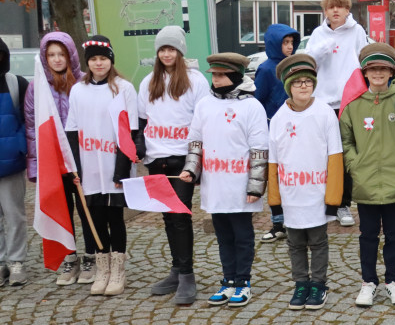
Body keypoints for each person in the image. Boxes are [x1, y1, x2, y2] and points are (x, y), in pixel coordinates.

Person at [180, 53, 269, 307]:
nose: (216, 79)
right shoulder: (204, 105)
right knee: (223, 235)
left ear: (234, 76)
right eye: (214, 75)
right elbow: (196, 142)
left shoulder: (251, 106)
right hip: (215, 184)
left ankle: (243, 282)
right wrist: (191, 170)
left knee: (242, 234)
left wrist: (255, 186)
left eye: (221, 75)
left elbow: (260, 149)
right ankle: (228, 280)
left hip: (240, 185)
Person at [340, 44, 395, 308]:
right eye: (373, 69)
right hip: (366, 181)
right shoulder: (353, 105)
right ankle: (368, 282)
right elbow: (346, 140)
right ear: (365, 72)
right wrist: (355, 165)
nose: (378, 73)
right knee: (368, 235)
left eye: (383, 69)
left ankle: (393, 281)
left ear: (391, 72)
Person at [139, 26, 209, 304]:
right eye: (162, 49)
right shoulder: (148, 82)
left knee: (180, 215)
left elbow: (203, 120)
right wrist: (140, 146)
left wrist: (198, 161)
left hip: (183, 157)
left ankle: (188, 276)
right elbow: (143, 119)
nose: (167, 54)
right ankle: (176, 270)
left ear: (180, 52)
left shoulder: (195, 80)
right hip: (157, 158)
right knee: (167, 216)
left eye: (171, 49)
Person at [268, 54, 343, 311]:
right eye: (297, 82)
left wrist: (333, 199)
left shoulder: (324, 114)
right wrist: (275, 202)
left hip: (317, 192)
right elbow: (273, 163)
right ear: (289, 86)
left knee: (318, 241)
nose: (303, 86)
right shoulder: (278, 118)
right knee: (295, 242)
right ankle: (301, 282)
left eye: (308, 81)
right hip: (291, 194)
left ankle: (318, 284)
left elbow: (335, 157)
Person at [65, 36, 139, 296]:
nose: (99, 63)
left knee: (114, 217)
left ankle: (118, 270)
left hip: (113, 163)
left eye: (103, 58)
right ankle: (102, 268)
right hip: (89, 165)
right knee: (93, 218)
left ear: (111, 60)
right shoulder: (78, 89)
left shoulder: (123, 88)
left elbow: (130, 130)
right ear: (88, 63)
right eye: (94, 59)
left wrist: (121, 169)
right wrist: (76, 169)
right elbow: (71, 131)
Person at [25, 32, 92, 285]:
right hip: (54, 161)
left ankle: (91, 256)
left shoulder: (84, 82)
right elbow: (32, 128)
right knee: (63, 209)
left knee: (87, 210)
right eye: (51, 55)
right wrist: (35, 166)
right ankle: (70, 257)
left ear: (70, 55)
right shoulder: (37, 87)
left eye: (60, 54)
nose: (56, 59)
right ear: (45, 58)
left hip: (83, 157)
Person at [305, 0, 368, 228]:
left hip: (349, 101)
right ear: (325, 11)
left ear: (347, 10)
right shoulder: (318, 34)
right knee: (323, 154)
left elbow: (364, 59)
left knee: (344, 154)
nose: (335, 11)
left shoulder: (357, 31)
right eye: (331, 7)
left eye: (339, 7)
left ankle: (343, 204)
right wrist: (323, 48)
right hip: (322, 101)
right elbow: (309, 62)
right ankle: (324, 201)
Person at [253, 22, 300, 243]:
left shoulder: (296, 66)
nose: (290, 47)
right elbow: (257, 101)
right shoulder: (265, 69)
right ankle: (278, 222)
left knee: (294, 175)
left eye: (292, 42)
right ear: (274, 44)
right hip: (273, 129)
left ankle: (297, 221)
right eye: (285, 43)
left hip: (297, 129)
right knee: (275, 177)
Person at [0, 40, 29, 288]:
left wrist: (20, 147)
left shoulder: (16, 84)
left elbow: (28, 119)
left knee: (14, 215)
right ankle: (1, 263)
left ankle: (16, 261)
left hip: (10, 163)